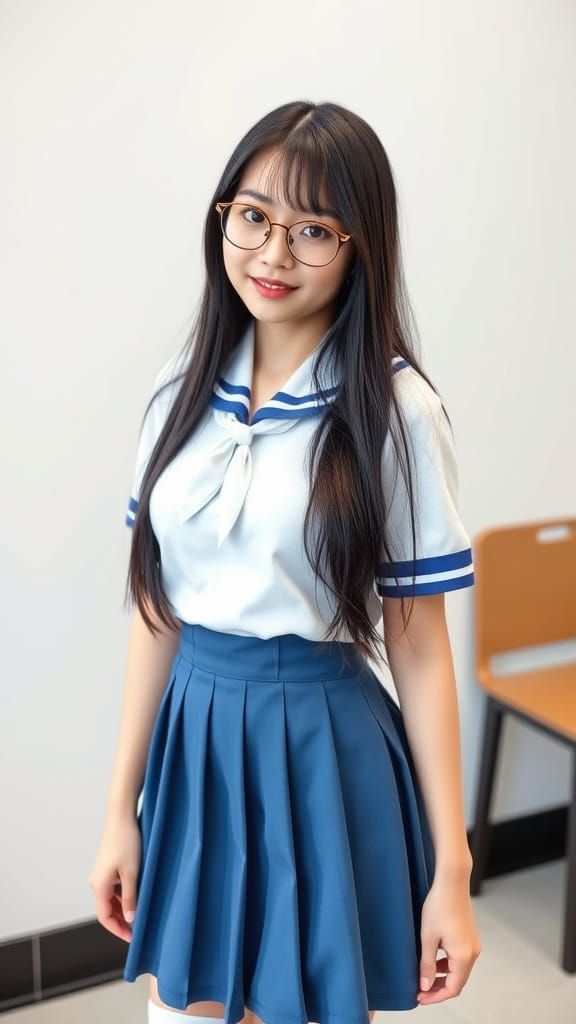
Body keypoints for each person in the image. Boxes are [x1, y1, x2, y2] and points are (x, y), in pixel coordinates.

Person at [89, 99, 481, 1024]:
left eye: (312, 231)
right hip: (196, 740)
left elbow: (419, 647)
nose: (272, 255)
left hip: (321, 743)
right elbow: (156, 609)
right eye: (254, 216)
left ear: (359, 247)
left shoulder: (396, 412)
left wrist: (452, 872)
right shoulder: (180, 388)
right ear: (223, 216)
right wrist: (120, 807)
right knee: (181, 1011)